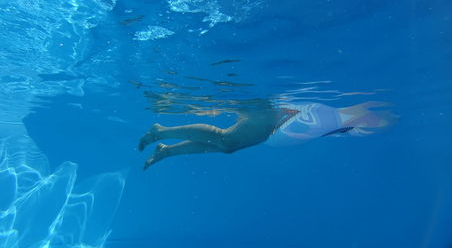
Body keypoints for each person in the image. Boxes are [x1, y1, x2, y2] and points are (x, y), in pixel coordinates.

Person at [138, 101, 396, 170]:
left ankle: (166, 151)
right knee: (225, 138)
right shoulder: (357, 110)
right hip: (280, 114)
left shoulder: (355, 122)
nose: (378, 126)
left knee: (229, 146)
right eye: (378, 122)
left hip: (285, 124)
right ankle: (161, 132)